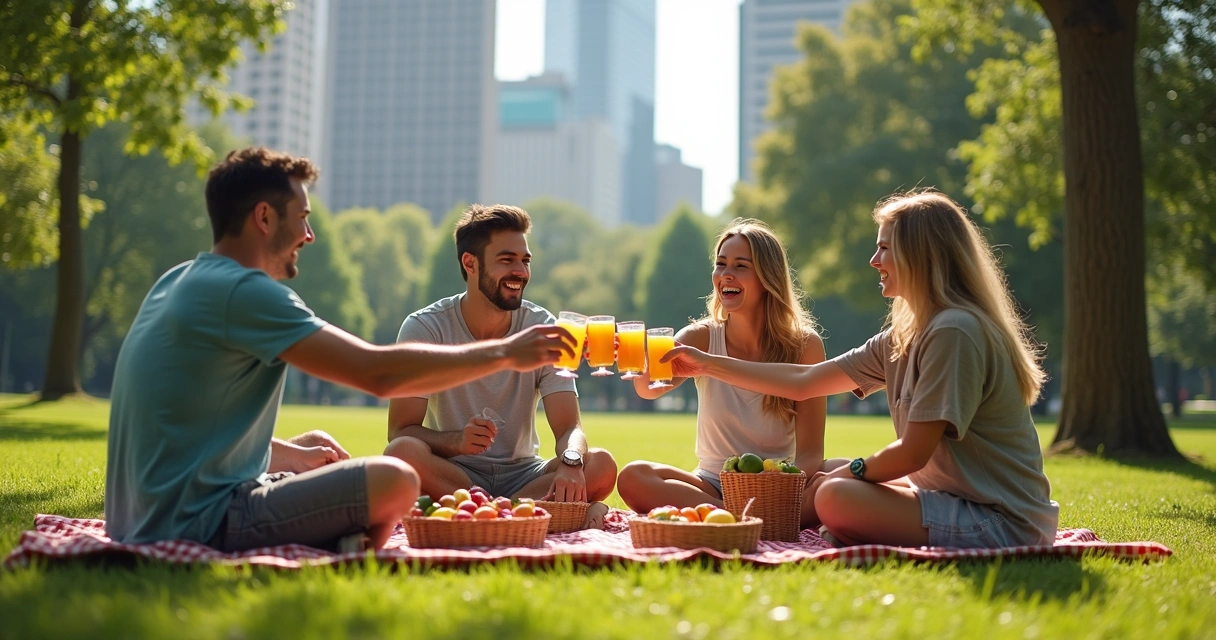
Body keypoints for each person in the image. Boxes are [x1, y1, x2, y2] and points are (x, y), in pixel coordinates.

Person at [104, 148, 575, 553]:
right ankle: (344, 543)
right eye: (303, 218)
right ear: (264, 217)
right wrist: (507, 353)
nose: (309, 236)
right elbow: (377, 373)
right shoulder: (246, 292)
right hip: (195, 521)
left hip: (138, 515)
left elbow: (184, 426)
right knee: (396, 480)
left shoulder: (182, 279)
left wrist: (289, 455)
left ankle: (324, 520)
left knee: (310, 444)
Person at [661, 191, 1059, 548]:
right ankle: (847, 526)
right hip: (948, 497)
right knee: (827, 483)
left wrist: (854, 474)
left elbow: (913, 453)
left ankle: (841, 523)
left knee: (833, 492)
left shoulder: (954, 330)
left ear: (919, 254)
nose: (874, 261)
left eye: (885, 248)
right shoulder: (903, 336)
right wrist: (708, 364)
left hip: (997, 518)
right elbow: (804, 382)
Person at [383, 204, 617, 527]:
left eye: (525, 260)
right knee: (401, 453)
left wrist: (571, 461)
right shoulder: (425, 329)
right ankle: (538, 515)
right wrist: (456, 441)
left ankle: (488, 513)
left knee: (601, 465)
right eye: (507, 260)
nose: (520, 271)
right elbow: (400, 430)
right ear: (470, 263)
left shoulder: (542, 326)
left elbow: (569, 429)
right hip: (455, 472)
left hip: (525, 474)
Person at [617, 219, 831, 526]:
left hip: (779, 484)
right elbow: (649, 389)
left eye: (741, 266)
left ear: (768, 277)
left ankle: (731, 517)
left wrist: (776, 488)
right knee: (634, 476)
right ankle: (744, 518)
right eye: (720, 264)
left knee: (839, 473)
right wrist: (636, 362)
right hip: (713, 484)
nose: (725, 274)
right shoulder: (701, 337)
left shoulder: (805, 345)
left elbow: (811, 454)